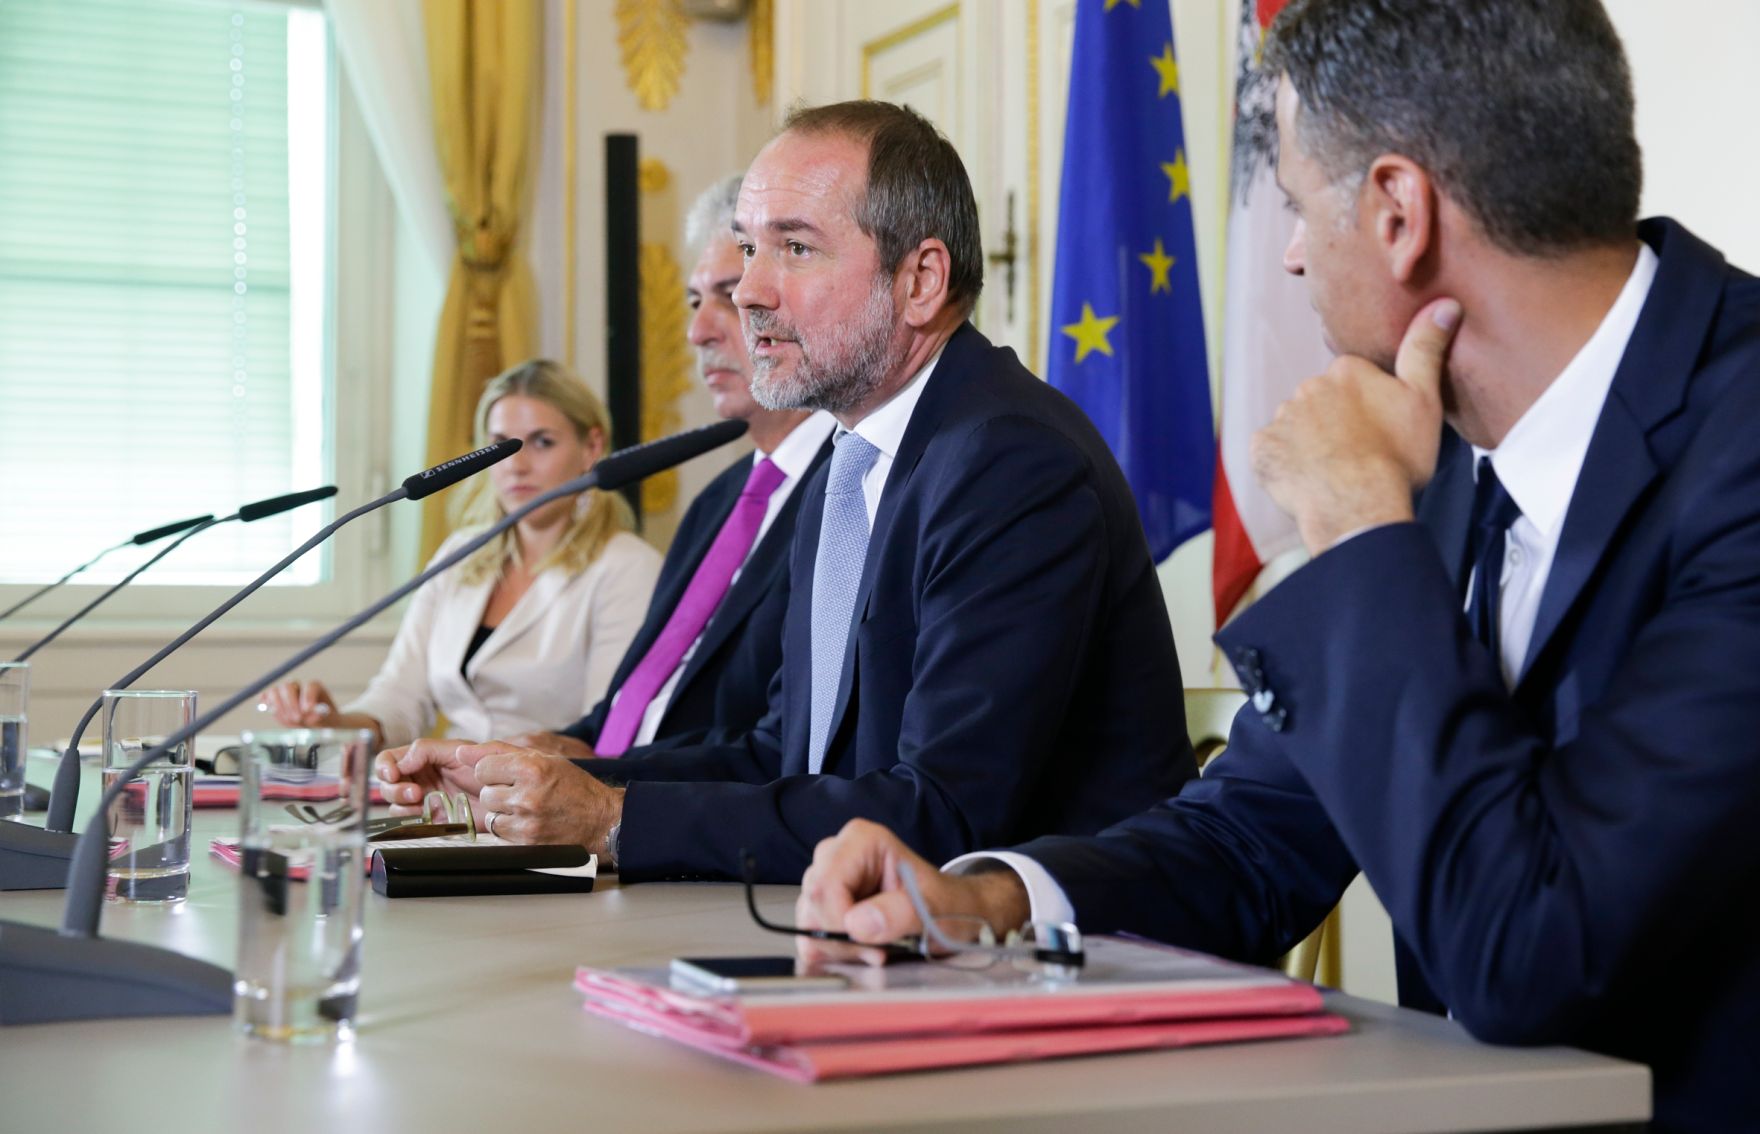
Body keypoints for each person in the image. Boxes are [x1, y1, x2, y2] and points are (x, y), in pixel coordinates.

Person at [791, 2, 1760, 1129]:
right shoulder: (1432, 436)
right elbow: (1251, 836)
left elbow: (1534, 957)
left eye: (1298, 203)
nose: (1291, 250)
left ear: (1396, 212)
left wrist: (1359, 527)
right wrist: (988, 899)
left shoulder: (1719, 442)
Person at [376, 100, 1195, 884]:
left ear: (921, 280)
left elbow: (945, 815)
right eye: (748, 248)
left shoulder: (1012, 465)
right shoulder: (848, 461)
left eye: (794, 249)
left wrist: (611, 819)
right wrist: (561, 774)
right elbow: (782, 754)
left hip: (1056, 970)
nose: (748, 292)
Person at [453, 174, 837, 760]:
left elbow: (783, 745)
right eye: (693, 300)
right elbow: (633, 705)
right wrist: (552, 751)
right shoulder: (719, 500)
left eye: (729, 295)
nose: (696, 330)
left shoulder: (849, 495)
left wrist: (599, 786)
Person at [261, 360, 661, 748]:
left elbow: (611, 735)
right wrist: (335, 723)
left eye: (542, 442)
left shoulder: (627, 567)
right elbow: (400, 696)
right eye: (501, 445)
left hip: (547, 800)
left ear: (591, 447)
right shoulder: (461, 552)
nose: (516, 465)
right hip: (450, 797)